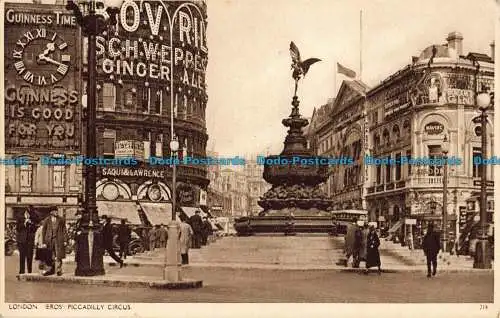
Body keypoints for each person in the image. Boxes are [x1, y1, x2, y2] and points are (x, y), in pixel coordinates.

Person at [40, 207, 67, 276]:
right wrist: (43, 242)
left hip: (58, 239)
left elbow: (64, 230)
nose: (56, 212)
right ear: (51, 212)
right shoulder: (47, 220)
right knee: (49, 255)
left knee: (58, 255)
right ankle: (50, 270)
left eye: (57, 211)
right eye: (55, 211)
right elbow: (43, 231)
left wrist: (65, 240)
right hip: (49, 240)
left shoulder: (61, 220)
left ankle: (59, 270)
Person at [16, 208, 37, 275]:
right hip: (22, 241)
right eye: (26, 214)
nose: (28, 215)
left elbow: (34, 230)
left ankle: (29, 272)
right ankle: (21, 272)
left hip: (29, 242)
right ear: (24, 214)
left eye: (29, 214)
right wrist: (24, 223)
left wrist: (31, 224)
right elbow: (18, 229)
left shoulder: (32, 220)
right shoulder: (20, 220)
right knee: (22, 257)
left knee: (29, 257)